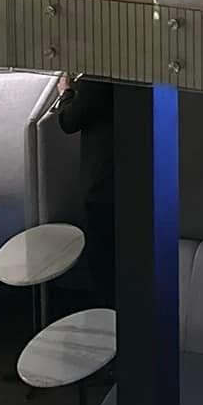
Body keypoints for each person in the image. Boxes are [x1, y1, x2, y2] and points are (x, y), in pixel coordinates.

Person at [56, 72, 115, 303]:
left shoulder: (100, 73)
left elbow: (69, 121)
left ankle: (106, 315)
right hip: (133, 177)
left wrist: (66, 92)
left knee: (103, 261)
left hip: (103, 182)